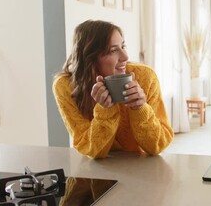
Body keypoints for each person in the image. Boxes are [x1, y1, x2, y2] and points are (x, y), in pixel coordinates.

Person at [53, 20, 174, 159]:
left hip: (142, 167)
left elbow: (158, 146)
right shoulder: (65, 87)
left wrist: (140, 108)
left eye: (123, 46)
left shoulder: (145, 77)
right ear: (90, 58)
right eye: (113, 50)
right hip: (98, 172)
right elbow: (91, 150)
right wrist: (105, 109)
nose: (125, 57)